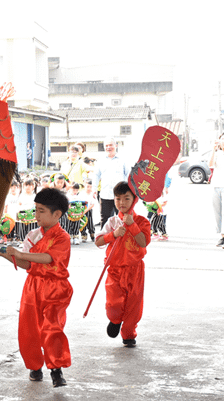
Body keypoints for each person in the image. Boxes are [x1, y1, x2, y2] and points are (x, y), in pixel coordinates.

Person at [0, 188, 72, 387]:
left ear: (57, 214)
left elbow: (48, 258)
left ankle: (55, 369)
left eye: (41, 211)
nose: (36, 215)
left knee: (53, 328)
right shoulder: (33, 235)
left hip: (55, 288)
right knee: (30, 329)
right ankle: (35, 366)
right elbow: (26, 265)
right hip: (33, 287)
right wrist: (3, 254)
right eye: (35, 210)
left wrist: (19, 254)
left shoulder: (63, 238)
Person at [95, 181, 150, 347]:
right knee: (113, 302)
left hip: (135, 270)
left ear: (134, 200)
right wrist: (114, 234)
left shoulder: (142, 222)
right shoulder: (112, 222)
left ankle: (128, 334)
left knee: (134, 305)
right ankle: (115, 319)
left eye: (126, 198)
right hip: (115, 270)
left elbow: (143, 242)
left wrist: (132, 225)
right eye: (118, 199)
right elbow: (98, 241)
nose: (122, 203)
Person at [94, 138, 129, 229]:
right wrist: (94, 189)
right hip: (106, 194)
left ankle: (123, 240)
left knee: (122, 218)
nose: (108, 147)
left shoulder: (123, 159)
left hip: (121, 195)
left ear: (116, 146)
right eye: (106, 145)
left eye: (111, 145)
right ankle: (104, 240)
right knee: (105, 218)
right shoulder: (100, 161)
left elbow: (129, 175)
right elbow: (96, 176)